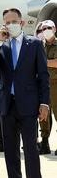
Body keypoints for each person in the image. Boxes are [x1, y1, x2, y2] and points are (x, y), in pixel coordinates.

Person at [0, 8, 49, 178]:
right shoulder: (0, 46)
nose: (11, 25)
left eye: (14, 22)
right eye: (7, 22)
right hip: (7, 106)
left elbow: (43, 75)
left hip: (29, 105)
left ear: (22, 23)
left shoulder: (34, 44)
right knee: (10, 151)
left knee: (31, 149)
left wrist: (44, 103)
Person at [34, 20, 57, 155]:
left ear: (54, 29)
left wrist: (42, 62)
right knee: (43, 114)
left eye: (49, 28)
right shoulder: (39, 45)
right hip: (43, 84)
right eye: (43, 29)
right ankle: (45, 142)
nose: (46, 30)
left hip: (55, 83)